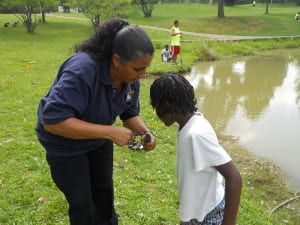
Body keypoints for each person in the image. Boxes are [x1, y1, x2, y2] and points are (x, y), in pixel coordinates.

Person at [36, 18, 156, 225]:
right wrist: (109, 132)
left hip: (97, 140)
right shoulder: (82, 71)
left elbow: (128, 114)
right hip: (65, 145)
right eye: (138, 69)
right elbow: (53, 121)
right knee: (82, 202)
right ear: (117, 59)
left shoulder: (130, 80)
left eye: (146, 68)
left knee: (104, 193)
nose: (143, 75)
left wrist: (146, 133)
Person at [150, 73, 242, 225]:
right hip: (194, 212)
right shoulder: (187, 125)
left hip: (207, 214)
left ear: (166, 106)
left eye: (156, 107)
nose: (156, 113)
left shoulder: (197, 134)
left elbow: (234, 177)